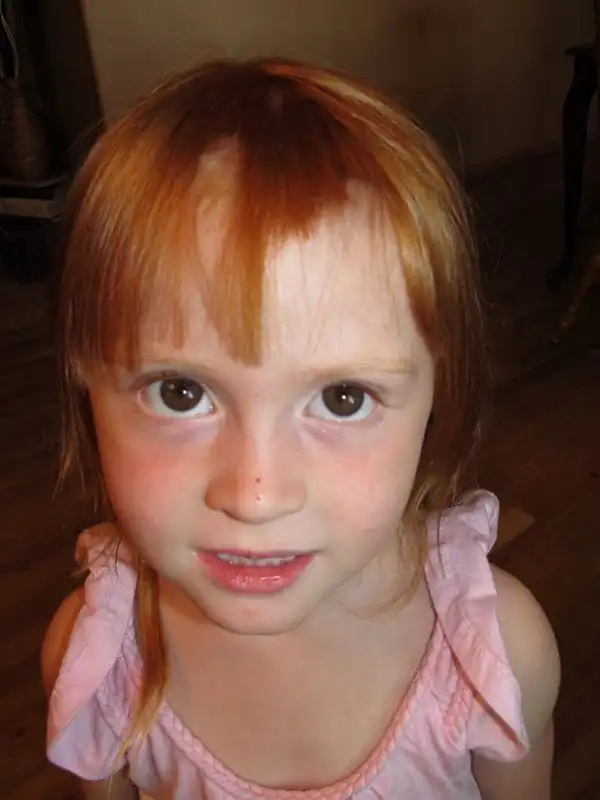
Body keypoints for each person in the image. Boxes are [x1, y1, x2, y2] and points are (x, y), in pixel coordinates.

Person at [42, 57, 560, 799]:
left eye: (343, 399)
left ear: (439, 395)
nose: (257, 496)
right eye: (181, 392)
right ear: (84, 383)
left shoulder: (496, 660)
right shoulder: (95, 664)